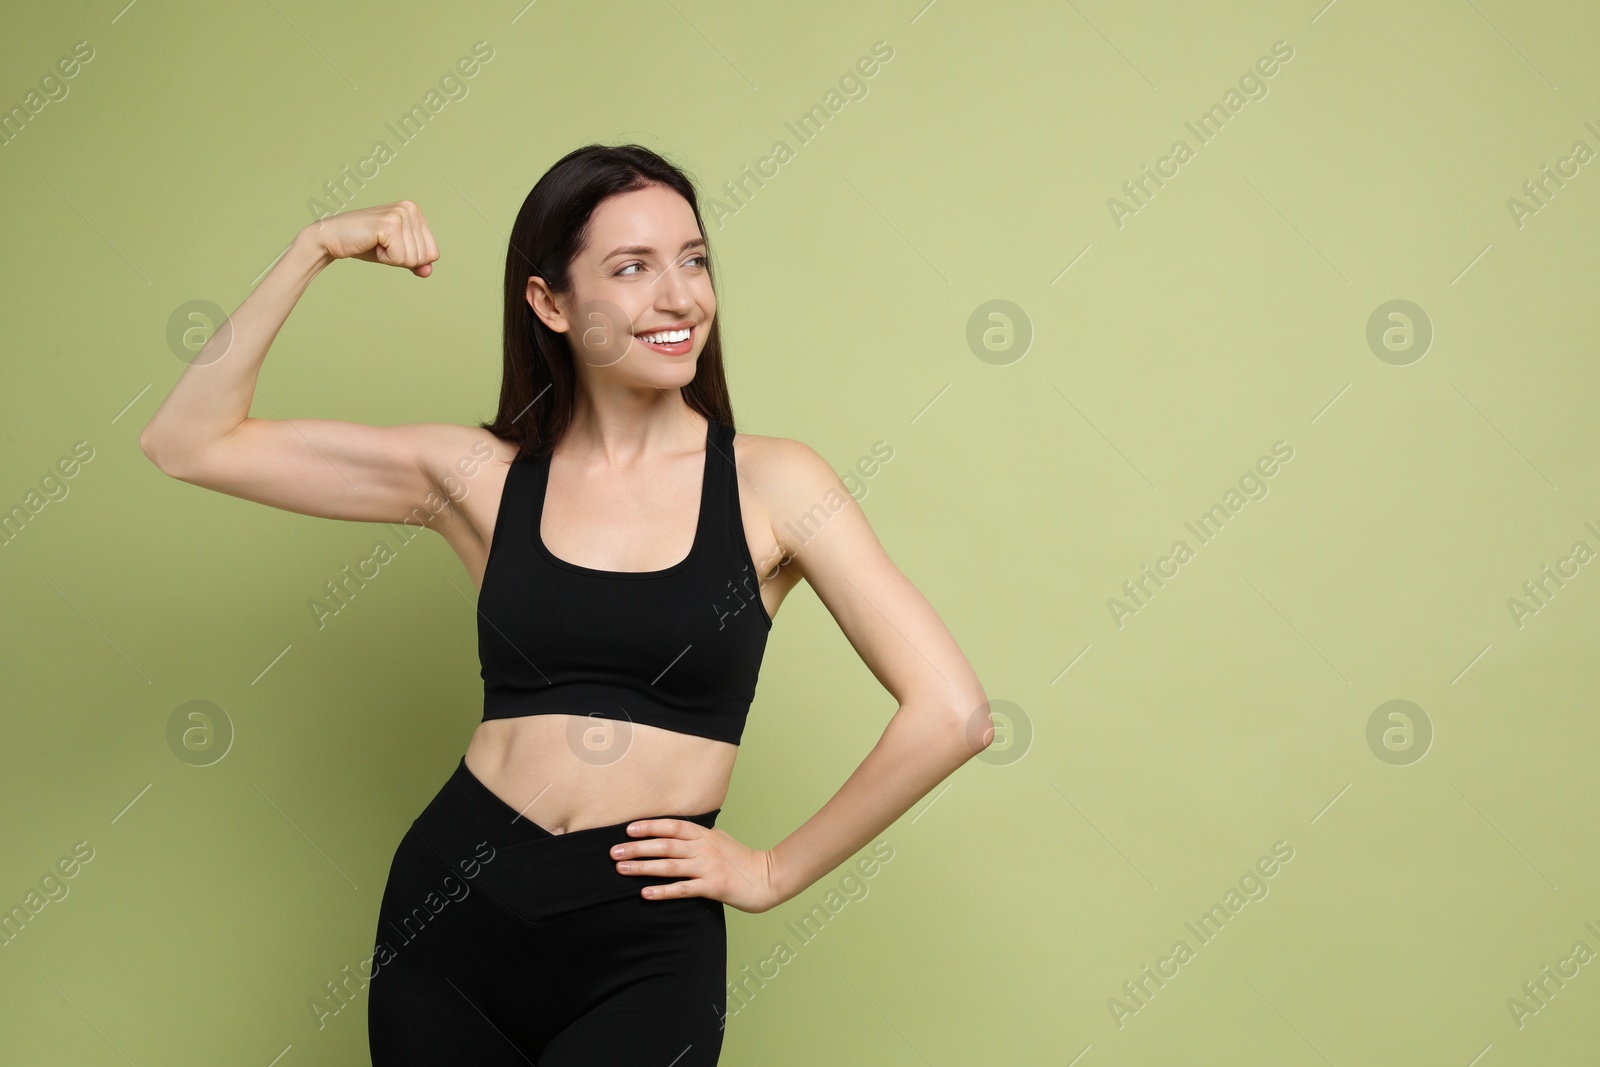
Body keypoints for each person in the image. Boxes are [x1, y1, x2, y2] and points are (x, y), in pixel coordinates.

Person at [139, 143, 993, 1065]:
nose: (680, 298)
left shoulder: (774, 484)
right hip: (452, 918)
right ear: (550, 303)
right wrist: (315, 246)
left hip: (644, 947)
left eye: (693, 259)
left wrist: (772, 870)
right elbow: (188, 441)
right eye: (632, 268)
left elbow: (954, 714)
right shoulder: (478, 478)